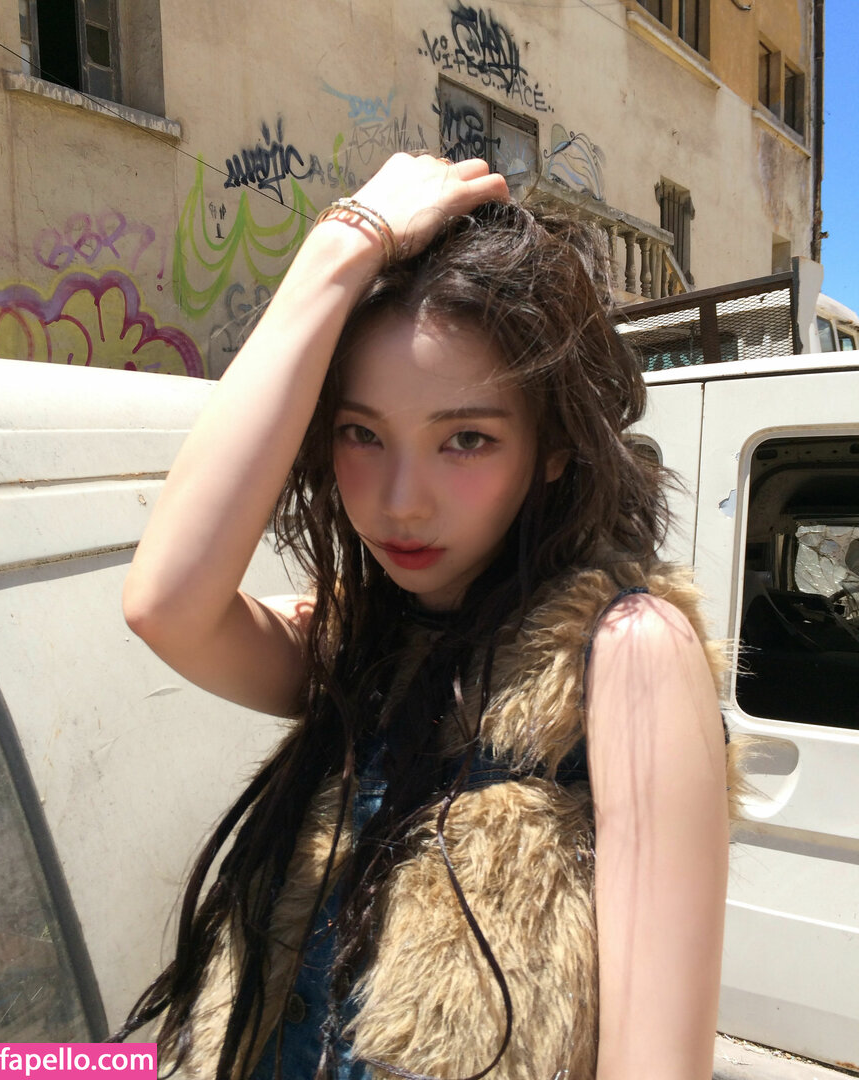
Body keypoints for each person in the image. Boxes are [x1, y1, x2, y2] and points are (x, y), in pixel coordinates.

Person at [117, 153, 740, 1080]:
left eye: (467, 439)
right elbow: (167, 604)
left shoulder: (624, 656)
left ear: (554, 447)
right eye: (361, 433)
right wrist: (340, 247)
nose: (401, 501)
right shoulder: (360, 645)